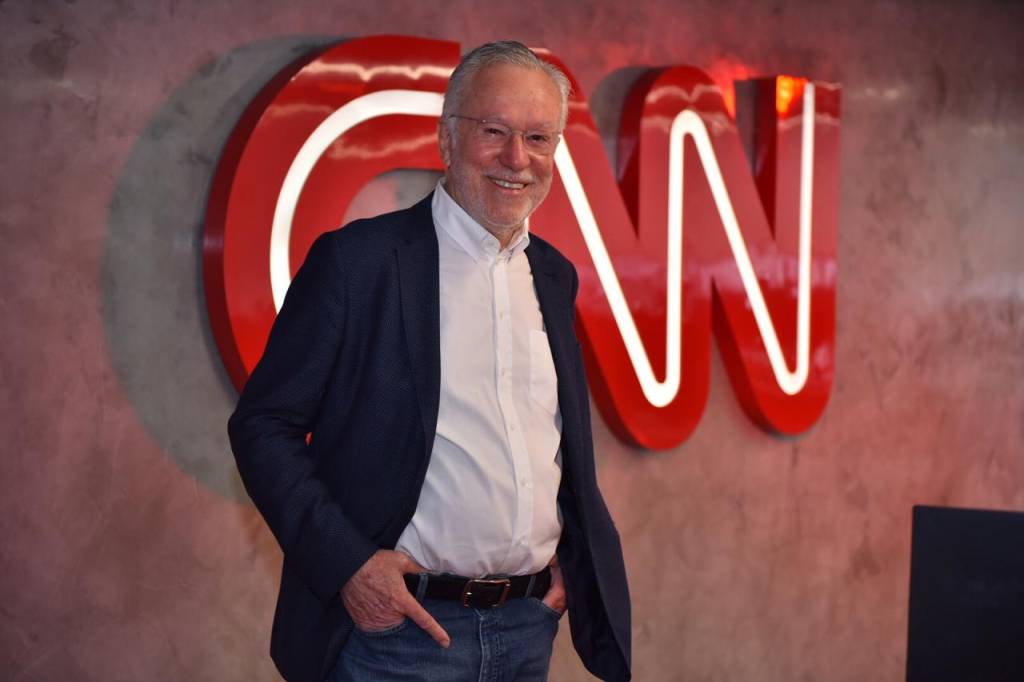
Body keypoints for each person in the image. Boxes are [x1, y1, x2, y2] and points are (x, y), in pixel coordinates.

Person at [228, 40, 631, 682]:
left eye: (538, 137)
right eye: (494, 131)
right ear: (446, 137)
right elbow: (262, 427)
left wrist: (567, 561)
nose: (516, 159)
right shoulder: (358, 264)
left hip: (529, 630)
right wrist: (349, 567)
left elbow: (549, 444)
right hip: (398, 638)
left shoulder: (554, 276)